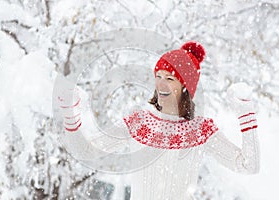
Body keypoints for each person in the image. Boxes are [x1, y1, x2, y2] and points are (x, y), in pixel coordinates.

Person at [58, 41, 259, 200]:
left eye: (170, 79)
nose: (160, 83)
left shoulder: (200, 130)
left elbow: (249, 166)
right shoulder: (139, 123)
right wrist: (69, 114)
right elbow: (85, 151)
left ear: (185, 88)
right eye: (159, 75)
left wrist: (245, 115)